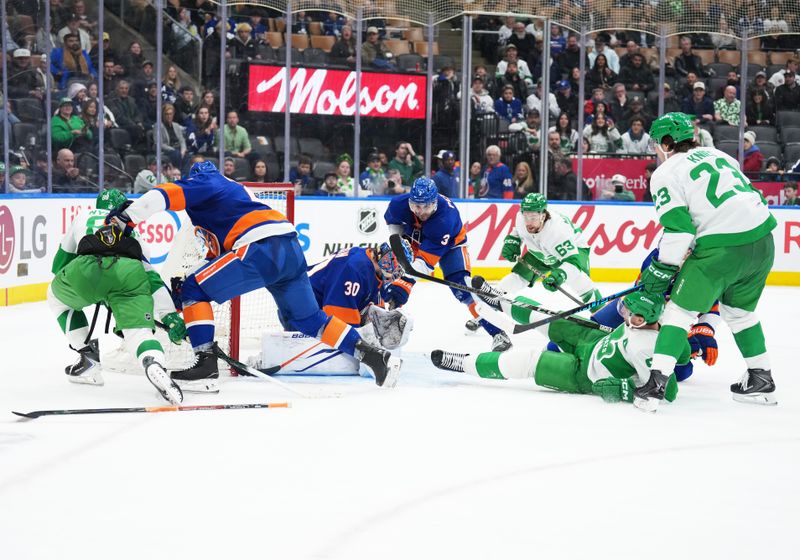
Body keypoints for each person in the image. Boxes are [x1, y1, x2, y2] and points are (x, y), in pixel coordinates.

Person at [106, 161, 402, 389]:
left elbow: (161, 196)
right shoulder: (234, 196)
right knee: (308, 320)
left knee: (194, 289)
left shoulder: (205, 181)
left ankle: (205, 364)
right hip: (288, 245)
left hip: (261, 246)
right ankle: (373, 356)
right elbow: (219, 258)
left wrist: (126, 216)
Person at [635, 112, 777, 412]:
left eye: (658, 142)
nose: (657, 148)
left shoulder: (665, 173)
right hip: (763, 240)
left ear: (668, 142)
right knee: (739, 313)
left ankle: (654, 386)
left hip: (722, 247)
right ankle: (760, 379)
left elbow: (679, 229)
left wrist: (663, 269)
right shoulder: (719, 155)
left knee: (678, 311)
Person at [48, 189, 185, 404]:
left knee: (58, 300)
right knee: (137, 332)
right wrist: (169, 316)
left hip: (87, 269)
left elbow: (58, 266)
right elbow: (151, 278)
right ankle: (153, 363)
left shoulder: (85, 216)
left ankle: (88, 358)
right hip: (129, 274)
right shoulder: (133, 230)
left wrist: (95, 290)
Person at [432, 293, 687, 407]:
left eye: (629, 314)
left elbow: (669, 392)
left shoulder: (648, 350)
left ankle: (463, 362)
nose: (624, 315)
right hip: (593, 339)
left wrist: (624, 390)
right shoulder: (655, 325)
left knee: (531, 361)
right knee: (550, 317)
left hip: (584, 375)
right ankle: (498, 299)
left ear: (642, 319)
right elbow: (682, 350)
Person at [385, 178, 511, 350]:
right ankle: (386, 327)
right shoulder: (398, 204)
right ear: (410, 201)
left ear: (435, 202)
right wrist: (399, 249)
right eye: (417, 206)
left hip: (452, 245)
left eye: (427, 207)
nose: (421, 212)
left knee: (462, 289)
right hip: (414, 240)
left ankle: (498, 332)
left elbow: (425, 264)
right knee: (391, 276)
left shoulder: (445, 219)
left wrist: (406, 281)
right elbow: (394, 226)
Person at [493, 193, 599, 305]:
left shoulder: (558, 231)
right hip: (541, 251)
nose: (528, 222)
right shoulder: (521, 217)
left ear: (543, 216)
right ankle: (493, 297)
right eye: (526, 216)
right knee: (521, 275)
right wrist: (513, 241)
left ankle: (602, 313)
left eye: (533, 217)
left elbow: (572, 262)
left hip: (575, 250)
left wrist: (560, 275)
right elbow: (518, 231)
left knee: (581, 281)